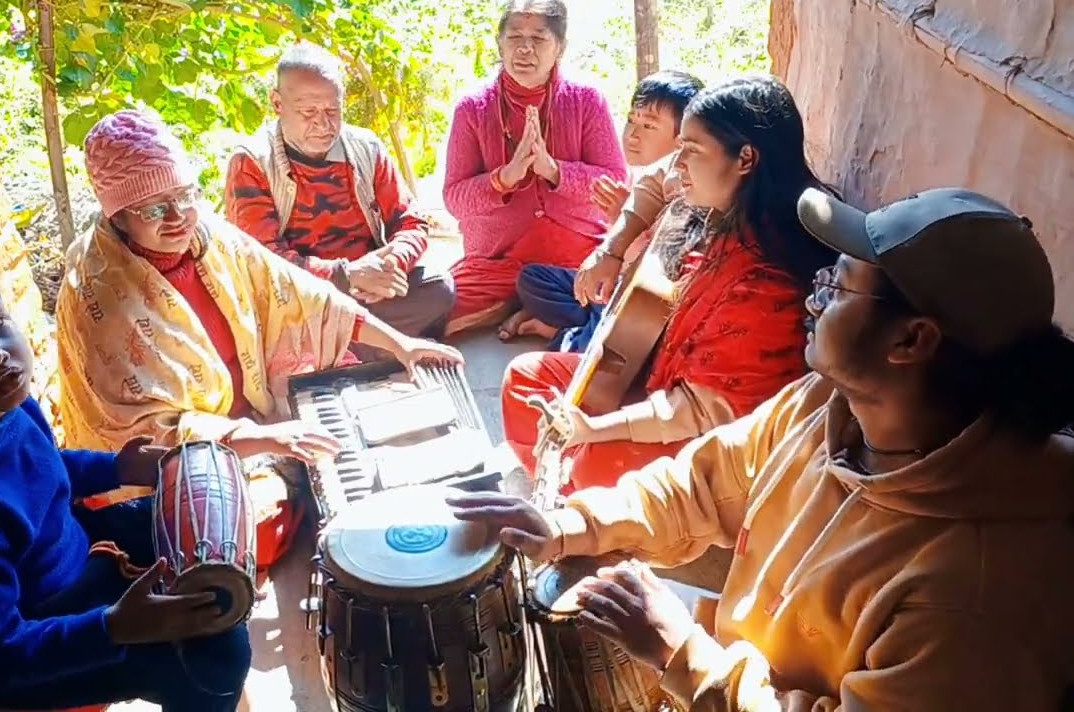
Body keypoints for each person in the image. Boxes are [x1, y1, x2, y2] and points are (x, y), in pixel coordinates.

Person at [449, 187, 1074, 710]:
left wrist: (681, 656)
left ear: (911, 341)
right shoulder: (826, 405)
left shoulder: (976, 591)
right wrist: (567, 524)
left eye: (838, 287)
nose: (813, 296)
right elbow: (701, 482)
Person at [55, 109, 463, 572]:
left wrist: (399, 344)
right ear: (119, 216)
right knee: (256, 534)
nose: (177, 217)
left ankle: (292, 477)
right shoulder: (100, 295)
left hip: (253, 407)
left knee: (366, 435)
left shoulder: (208, 237)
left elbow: (301, 296)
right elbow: (151, 436)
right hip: (183, 459)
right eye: (153, 208)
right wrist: (268, 439)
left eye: (185, 196)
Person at [0, 245, 251, 710]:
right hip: (21, 645)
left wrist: (118, 468)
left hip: (72, 555)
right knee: (213, 656)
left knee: (182, 524)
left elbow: (43, 469)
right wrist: (114, 626)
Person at [501, 75, 838, 491]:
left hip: (717, 448)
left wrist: (593, 429)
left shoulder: (769, 280)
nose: (677, 167)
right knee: (526, 377)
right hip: (663, 381)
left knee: (591, 464)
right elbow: (657, 181)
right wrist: (614, 250)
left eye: (690, 152)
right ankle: (573, 494)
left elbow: (695, 411)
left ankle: (579, 509)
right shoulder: (727, 212)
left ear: (746, 159)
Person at [224, 42, 453, 352]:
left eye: (333, 110)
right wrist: (348, 276)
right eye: (308, 112)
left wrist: (393, 262)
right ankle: (375, 346)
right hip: (304, 299)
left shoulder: (365, 148)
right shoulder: (251, 162)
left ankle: (348, 348)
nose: (323, 124)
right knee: (284, 325)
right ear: (277, 103)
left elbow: (410, 221)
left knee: (439, 288)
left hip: (370, 290)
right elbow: (262, 262)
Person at [441, 0, 628, 336]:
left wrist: (554, 171)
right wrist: (504, 178)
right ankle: (533, 307)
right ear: (499, 44)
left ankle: (534, 308)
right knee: (432, 313)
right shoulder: (472, 109)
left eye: (539, 38)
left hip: (575, 258)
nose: (524, 49)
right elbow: (454, 199)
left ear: (560, 47)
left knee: (622, 310)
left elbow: (615, 180)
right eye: (514, 37)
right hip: (496, 262)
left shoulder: (587, 101)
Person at [504, 70, 705, 350]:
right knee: (532, 279)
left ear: (683, 139)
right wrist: (617, 223)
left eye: (649, 126)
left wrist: (629, 228)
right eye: (631, 121)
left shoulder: (689, 186)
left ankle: (568, 336)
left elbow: (655, 270)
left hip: (638, 298)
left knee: (599, 341)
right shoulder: (638, 177)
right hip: (610, 285)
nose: (632, 135)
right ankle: (579, 327)